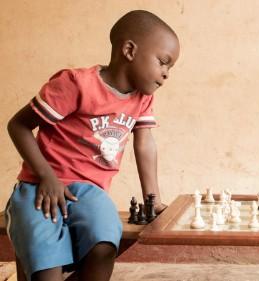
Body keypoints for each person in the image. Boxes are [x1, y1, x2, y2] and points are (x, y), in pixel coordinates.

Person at [5, 10, 180, 281]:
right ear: (129, 50)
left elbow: (144, 144)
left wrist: (152, 200)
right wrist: (47, 176)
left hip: (90, 193)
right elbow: (18, 125)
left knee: (105, 244)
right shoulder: (76, 84)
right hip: (40, 187)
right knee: (46, 270)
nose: (166, 74)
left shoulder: (142, 98)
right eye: (163, 62)